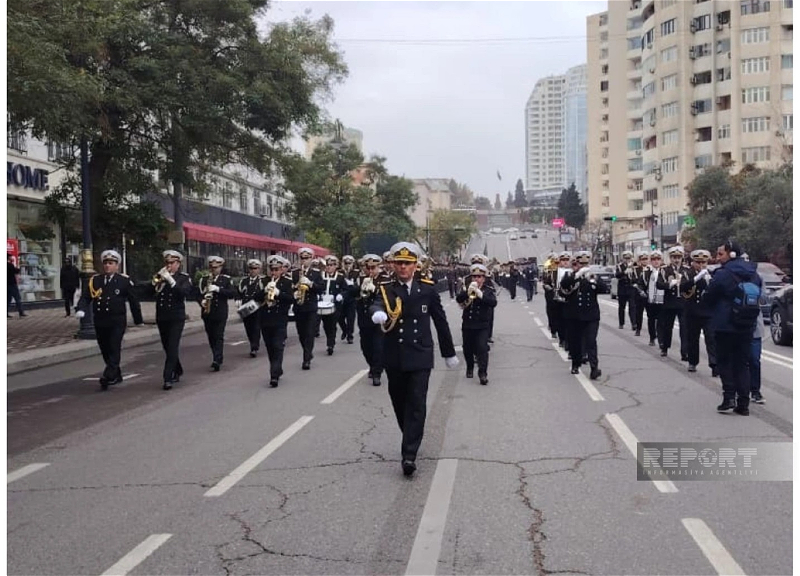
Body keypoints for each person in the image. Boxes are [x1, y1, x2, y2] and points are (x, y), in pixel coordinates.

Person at [370, 242, 458, 476]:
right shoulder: (386, 288)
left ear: (415, 265)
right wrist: (377, 313)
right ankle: (410, 433)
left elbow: (440, 321)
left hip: (420, 354)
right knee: (399, 402)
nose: (403, 267)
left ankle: (409, 454)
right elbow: (376, 303)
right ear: (393, 265)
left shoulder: (427, 289)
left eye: (407, 263)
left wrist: (448, 352)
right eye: (399, 263)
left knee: (417, 402)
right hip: (395, 355)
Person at [703, 240, 762, 415]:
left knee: (725, 361)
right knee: (742, 364)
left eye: (721, 254)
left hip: (725, 325)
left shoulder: (722, 274)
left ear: (731, 254)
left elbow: (709, 297)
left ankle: (729, 398)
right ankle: (743, 404)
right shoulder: (753, 273)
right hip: (747, 324)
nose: (718, 257)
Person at [76, 250, 143, 390]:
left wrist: (138, 319)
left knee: (114, 346)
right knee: (105, 348)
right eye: (106, 263)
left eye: (111, 263)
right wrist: (81, 309)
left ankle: (109, 375)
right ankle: (116, 374)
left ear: (117, 266)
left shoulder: (123, 281)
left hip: (117, 320)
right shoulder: (96, 280)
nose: (107, 266)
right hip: (101, 320)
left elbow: (133, 301)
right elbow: (86, 297)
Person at [146, 250, 193, 390]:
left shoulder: (183, 278)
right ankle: (177, 369)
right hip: (162, 317)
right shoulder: (161, 277)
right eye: (167, 263)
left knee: (172, 346)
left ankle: (168, 377)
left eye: (172, 263)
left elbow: (184, 293)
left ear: (178, 264)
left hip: (176, 317)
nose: (169, 265)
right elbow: (148, 293)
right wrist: (156, 282)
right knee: (167, 346)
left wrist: (171, 281)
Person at [559, 250, 602, 379]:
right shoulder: (570, 276)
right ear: (575, 263)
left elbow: (604, 289)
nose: (583, 266)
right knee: (575, 341)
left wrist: (594, 281)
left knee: (591, 341)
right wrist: (576, 275)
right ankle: (575, 364)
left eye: (585, 264)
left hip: (591, 315)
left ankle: (594, 368)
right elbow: (563, 286)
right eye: (580, 263)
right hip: (574, 315)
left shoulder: (592, 276)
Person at [457, 263, 497, 385]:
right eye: (474, 276)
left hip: (482, 325)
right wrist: (467, 292)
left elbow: (493, 303)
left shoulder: (488, 290)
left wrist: (481, 295)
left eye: (479, 276)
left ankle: (482, 373)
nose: (476, 279)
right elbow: (459, 299)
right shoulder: (467, 288)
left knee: (482, 349)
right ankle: (470, 366)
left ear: (483, 278)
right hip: (468, 324)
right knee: (467, 348)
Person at [680, 249, 717, 375]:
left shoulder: (711, 274)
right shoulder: (687, 274)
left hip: (708, 312)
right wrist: (696, 279)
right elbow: (682, 288)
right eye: (698, 262)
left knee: (711, 338)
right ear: (693, 262)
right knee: (693, 339)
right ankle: (692, 362)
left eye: (703, 262)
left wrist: (709, 281)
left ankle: (714, 364)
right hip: (693, 311)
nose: (701, 265)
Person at [196, 255, 236, 371]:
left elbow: (231, 293)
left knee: (218, 335)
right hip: (207, 312)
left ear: (221, 267)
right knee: (211, 336)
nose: (214, 270)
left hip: (220, 311)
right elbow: (197, 294)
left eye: (216, 267)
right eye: (212, 267)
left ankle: (217, 359)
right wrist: (201, 301)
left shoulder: (226, 279)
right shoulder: (204, 279)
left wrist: (218, 289)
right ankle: (216, 354)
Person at [260, 256, 294, 387]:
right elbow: (255, 297)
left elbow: (291, 299)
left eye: (276, 269)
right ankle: (277, 369)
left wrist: (278, 293)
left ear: (281, 270)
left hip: (280, 319)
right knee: (270, 348)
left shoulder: (287, 282)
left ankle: (273, 375)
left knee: (278, 346)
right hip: (265, 319)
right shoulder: (263, 281)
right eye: (272, 269)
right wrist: (264, 291)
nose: (274, 272)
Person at [356, 254, 390, 386]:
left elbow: (387, 297)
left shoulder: (385, 279)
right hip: (364, 317)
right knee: (366, 346)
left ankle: (377, 373)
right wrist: (359, 288)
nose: (370, 270)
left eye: (373, 268)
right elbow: (354, 294)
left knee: (378, 347)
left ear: (378, 267)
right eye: (368, 268)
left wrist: (375, 289)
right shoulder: (361, 278)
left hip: (379, 319)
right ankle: (372, 365)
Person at [292, 247, 324, 370]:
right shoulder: (295, 273)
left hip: (311, 307)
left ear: (311, 258)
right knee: (301, 333)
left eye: (306, 258)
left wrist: (310, 283)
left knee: (310, 332)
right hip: (299, 307)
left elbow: (320, 288)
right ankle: (308, 351)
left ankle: (306, 359)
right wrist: (294, 292)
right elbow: (290, 287)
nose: (304, 260)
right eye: (302, 258)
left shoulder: (315, 273)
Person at [656, 246, 689, 359]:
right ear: (670, 258)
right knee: (667, 327)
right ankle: (665, 348)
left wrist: (682, 283)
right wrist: (670, 284)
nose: (676, 260)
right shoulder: (665, 270)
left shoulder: (686, 270)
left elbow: (691, 285)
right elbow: (659, 284)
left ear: (682, 258)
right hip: (669, 302)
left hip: (683, 302)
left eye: (679, 257)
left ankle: (684, 352)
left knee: (684, 328)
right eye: (674, 257)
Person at [319, 255, 347, 356]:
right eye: (327, 265)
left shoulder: (340, 277)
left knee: (332, 324)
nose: (329, 267)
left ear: (335, 266)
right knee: (326, 324)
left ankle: (330, 344)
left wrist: (341, 295)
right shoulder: (321, 276)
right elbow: (317, 287)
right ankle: (330, 340)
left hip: (335, 304)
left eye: (331, 265)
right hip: (323, 304)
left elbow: (346, 289)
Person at [238, 259, 265, 357]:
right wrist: (237, 300)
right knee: (248, 328)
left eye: (255, 268)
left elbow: (264, 293)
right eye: (251, 268)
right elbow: (238, 292)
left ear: (259, 269)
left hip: (257, 307)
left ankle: (254, 347)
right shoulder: (244, 281)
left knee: (256, 327)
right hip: (246, 307)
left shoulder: (262, 281)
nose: (253, 270)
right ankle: (252, 343)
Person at [642, 250, 664, 347]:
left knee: (661, 321)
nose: (656, 261)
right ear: (651, 261)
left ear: (661, 260)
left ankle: (661, 339)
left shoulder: (664, 272)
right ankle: (652, 337)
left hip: (662, 300)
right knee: (651, 320)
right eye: (654, 259)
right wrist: (642, 292)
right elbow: (641, 284)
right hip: (650, 300)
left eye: (658, 259)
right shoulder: (646, 273)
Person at [337, 255, 359, 344]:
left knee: (350, 318)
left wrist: (352, 285)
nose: (348, 265)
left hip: (351, 298)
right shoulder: (339, 272)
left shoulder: (356, 273)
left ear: (353, 263)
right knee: (340, 318)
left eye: (349, 263)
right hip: (342, 298)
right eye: (346, 263)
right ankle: (344, 330)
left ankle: (350, 336)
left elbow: (358, 286)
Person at [614, 250, 638, 331]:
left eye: (629, 258)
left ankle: (634, 323)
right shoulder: (619, 266)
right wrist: (624, 272)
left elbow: (637, 276)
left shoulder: (634, 266)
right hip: (622, 289)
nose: (627, 260)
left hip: (630, 288)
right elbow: (617, 275)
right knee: (622, 307)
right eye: (626, 258)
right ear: (623, 258)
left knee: (632, 306)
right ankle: (621, 323)